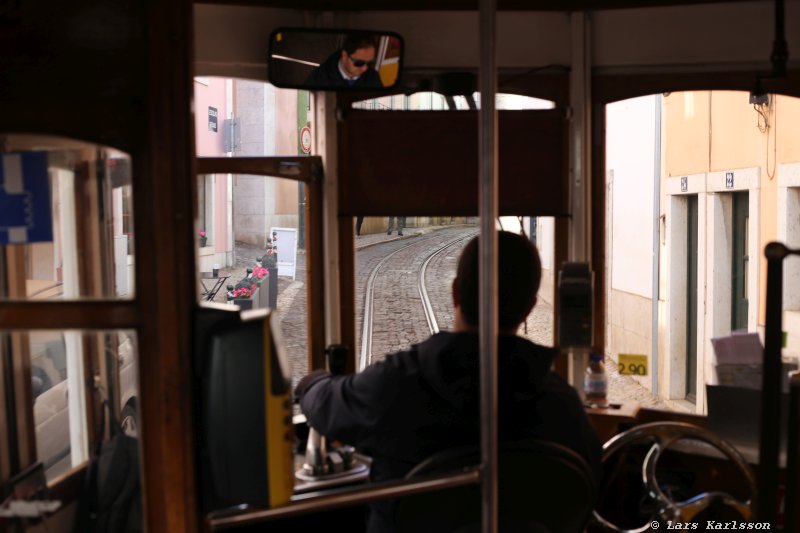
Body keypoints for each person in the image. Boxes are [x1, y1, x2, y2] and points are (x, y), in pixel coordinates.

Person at [295, 231, 602, 532]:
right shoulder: (563, 404)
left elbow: (324, 404)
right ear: (529, 308)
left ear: (455, 293)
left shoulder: (396, 383)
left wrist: (313, 382)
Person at [305, 33, 383, 88]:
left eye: (370, 63)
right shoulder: (318, 78)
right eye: (359, 63)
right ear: (344, 55)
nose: (365, 69)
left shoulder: (373, 77)